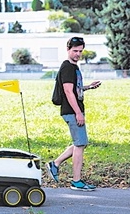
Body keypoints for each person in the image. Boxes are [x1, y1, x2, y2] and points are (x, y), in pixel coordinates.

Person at [46, 36, 101, 191]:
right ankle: (76, 181)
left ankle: (54, 164)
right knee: (80, 144)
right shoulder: (68, 67)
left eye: (80, 51)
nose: (78, 54)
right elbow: (68, 92)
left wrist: (88, 87)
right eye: (75, 50)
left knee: (80, 143)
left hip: (73, 110)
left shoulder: (73, 67)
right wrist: (78, 113)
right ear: (68, 49)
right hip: (71, 111)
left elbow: (74, 89)